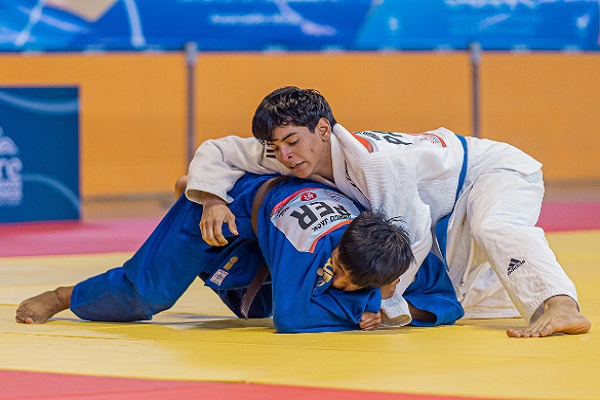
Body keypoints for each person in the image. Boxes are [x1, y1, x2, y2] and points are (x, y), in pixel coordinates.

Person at [184, 86, 591, 338]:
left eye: (292, 140)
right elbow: (217, 150)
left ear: (323, 129)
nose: (284, 155)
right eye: (276, 146)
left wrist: (388, 305)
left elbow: (411, 238)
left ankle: (561, 306)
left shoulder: (376, 165)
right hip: (444, 204)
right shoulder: (285, 153)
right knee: (465, 295)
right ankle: (527, 300)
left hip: (490, 168)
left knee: (493, 226)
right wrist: (212, 197)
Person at [16, 173, 465, 333]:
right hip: (224, 217)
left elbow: (449, 304)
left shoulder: (400, 253)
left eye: (352, 282)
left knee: (254, 310)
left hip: (262, 229)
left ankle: (195, 196)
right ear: (340, 243)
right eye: (341, 268)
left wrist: (395, 307)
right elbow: (292, 320)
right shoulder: (311, 246)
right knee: (149, 295)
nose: (339, 279)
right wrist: (361, 310)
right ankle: (63, 296)